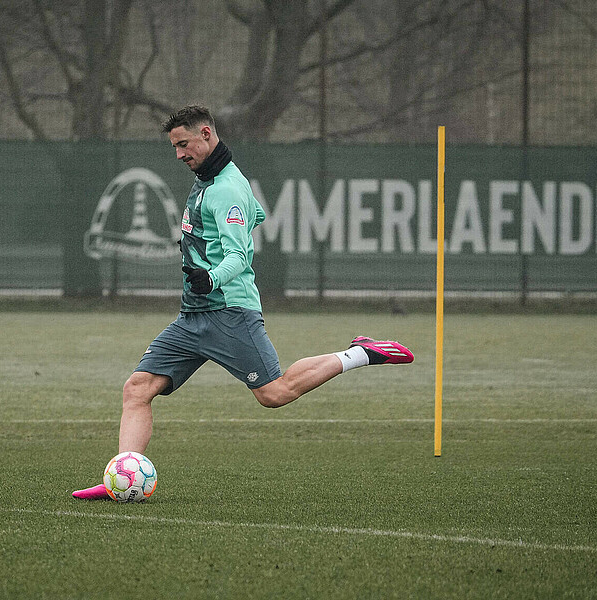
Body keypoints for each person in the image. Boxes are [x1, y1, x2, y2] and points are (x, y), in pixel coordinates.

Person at [72, 105, 413, 499]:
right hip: (193, 317)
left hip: (230, 313)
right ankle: (123, 478)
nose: (179, 154)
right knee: (137, 388)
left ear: (205, 134)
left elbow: (239, 256)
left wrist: (210, 274)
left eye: (183, 144)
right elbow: (256, 215)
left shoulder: (227, 188)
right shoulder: (209, 179)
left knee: (275, 394)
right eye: (174, 147)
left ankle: (362, 353)